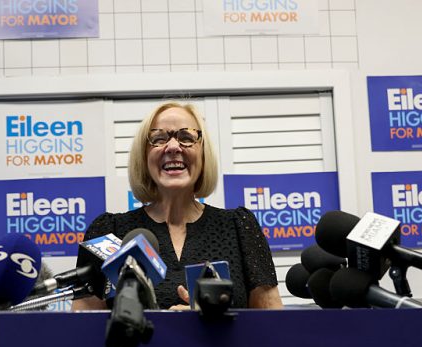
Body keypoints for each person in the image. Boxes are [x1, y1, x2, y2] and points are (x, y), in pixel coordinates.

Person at [73, 101, 283, 311]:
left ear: (203, 153)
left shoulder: (239, 227)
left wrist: (211, 321)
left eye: (186, 138)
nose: (173, 147)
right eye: (159, 138)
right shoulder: (108, 232)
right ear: (144, 156)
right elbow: (83, 326)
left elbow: (272, 324)